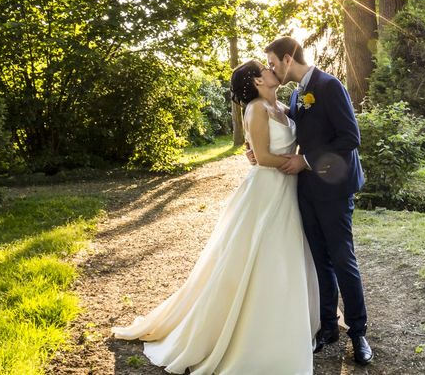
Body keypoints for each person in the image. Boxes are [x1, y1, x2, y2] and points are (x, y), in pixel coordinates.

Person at [112, 60, 319, 374]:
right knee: (259, 256)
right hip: (266, 191)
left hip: (286, 190)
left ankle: (284, 322)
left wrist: (303, 157)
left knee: (284, 257)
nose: (270, 68)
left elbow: (279, 142)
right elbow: (261, 157)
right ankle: (250, 335)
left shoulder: (282, 106)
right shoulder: (255, 109)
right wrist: (296, 161)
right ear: (255, 80)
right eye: (264, 67)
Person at [251, 37, 372, 365]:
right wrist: (261, 147)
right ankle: (328, 327)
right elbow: (290, 127)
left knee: (342, 258)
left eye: (273, 63)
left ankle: (358, 332)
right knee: (320, 260)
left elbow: (350, 138)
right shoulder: (295, 94)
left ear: (287, 58)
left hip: (335, 187)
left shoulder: (329, 85)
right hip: (307, 190)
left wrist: (305, 161)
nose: (272, 69)